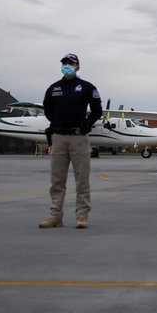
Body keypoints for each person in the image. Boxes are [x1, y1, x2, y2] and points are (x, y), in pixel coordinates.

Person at [38, 53, 103, 229]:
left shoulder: (87, 87)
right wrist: (58, 123)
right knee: (57, 179)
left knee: (82, 179)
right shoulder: (54, 88)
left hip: (78, 138)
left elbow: (97, 110)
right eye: (65, 63)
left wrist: (86, 124)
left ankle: (82, 216)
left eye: (71, 63)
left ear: (77, 67)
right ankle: (55, 216)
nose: (67, 66)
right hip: (58, 137)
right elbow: (48, 110)